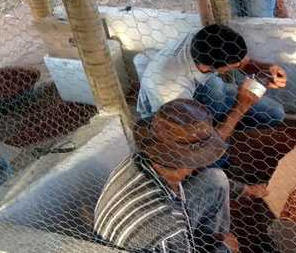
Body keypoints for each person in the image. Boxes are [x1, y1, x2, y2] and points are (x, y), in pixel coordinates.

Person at [94, 98, 268, 253]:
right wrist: (227, 249)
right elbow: (167, 229)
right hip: (154, 236)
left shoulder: (137, 159)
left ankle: (206, 242)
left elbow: (201, 174)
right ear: (192, 159)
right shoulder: (169, 227)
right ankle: (213, 243)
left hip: (143, 227)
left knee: (216, 178)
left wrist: (246, 190)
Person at [137, 24, 285, 132]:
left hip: (196, 92)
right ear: (207, 67)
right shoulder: (170, 90)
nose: (240, 64)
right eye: (233, 64)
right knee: (213, 154)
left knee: (274, 113)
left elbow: (243, 62)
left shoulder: (204, 38)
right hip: (172, 122)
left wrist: (265, 69)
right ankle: (217, 139)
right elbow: (185, 139)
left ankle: (218, 125)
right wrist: (241, 106)